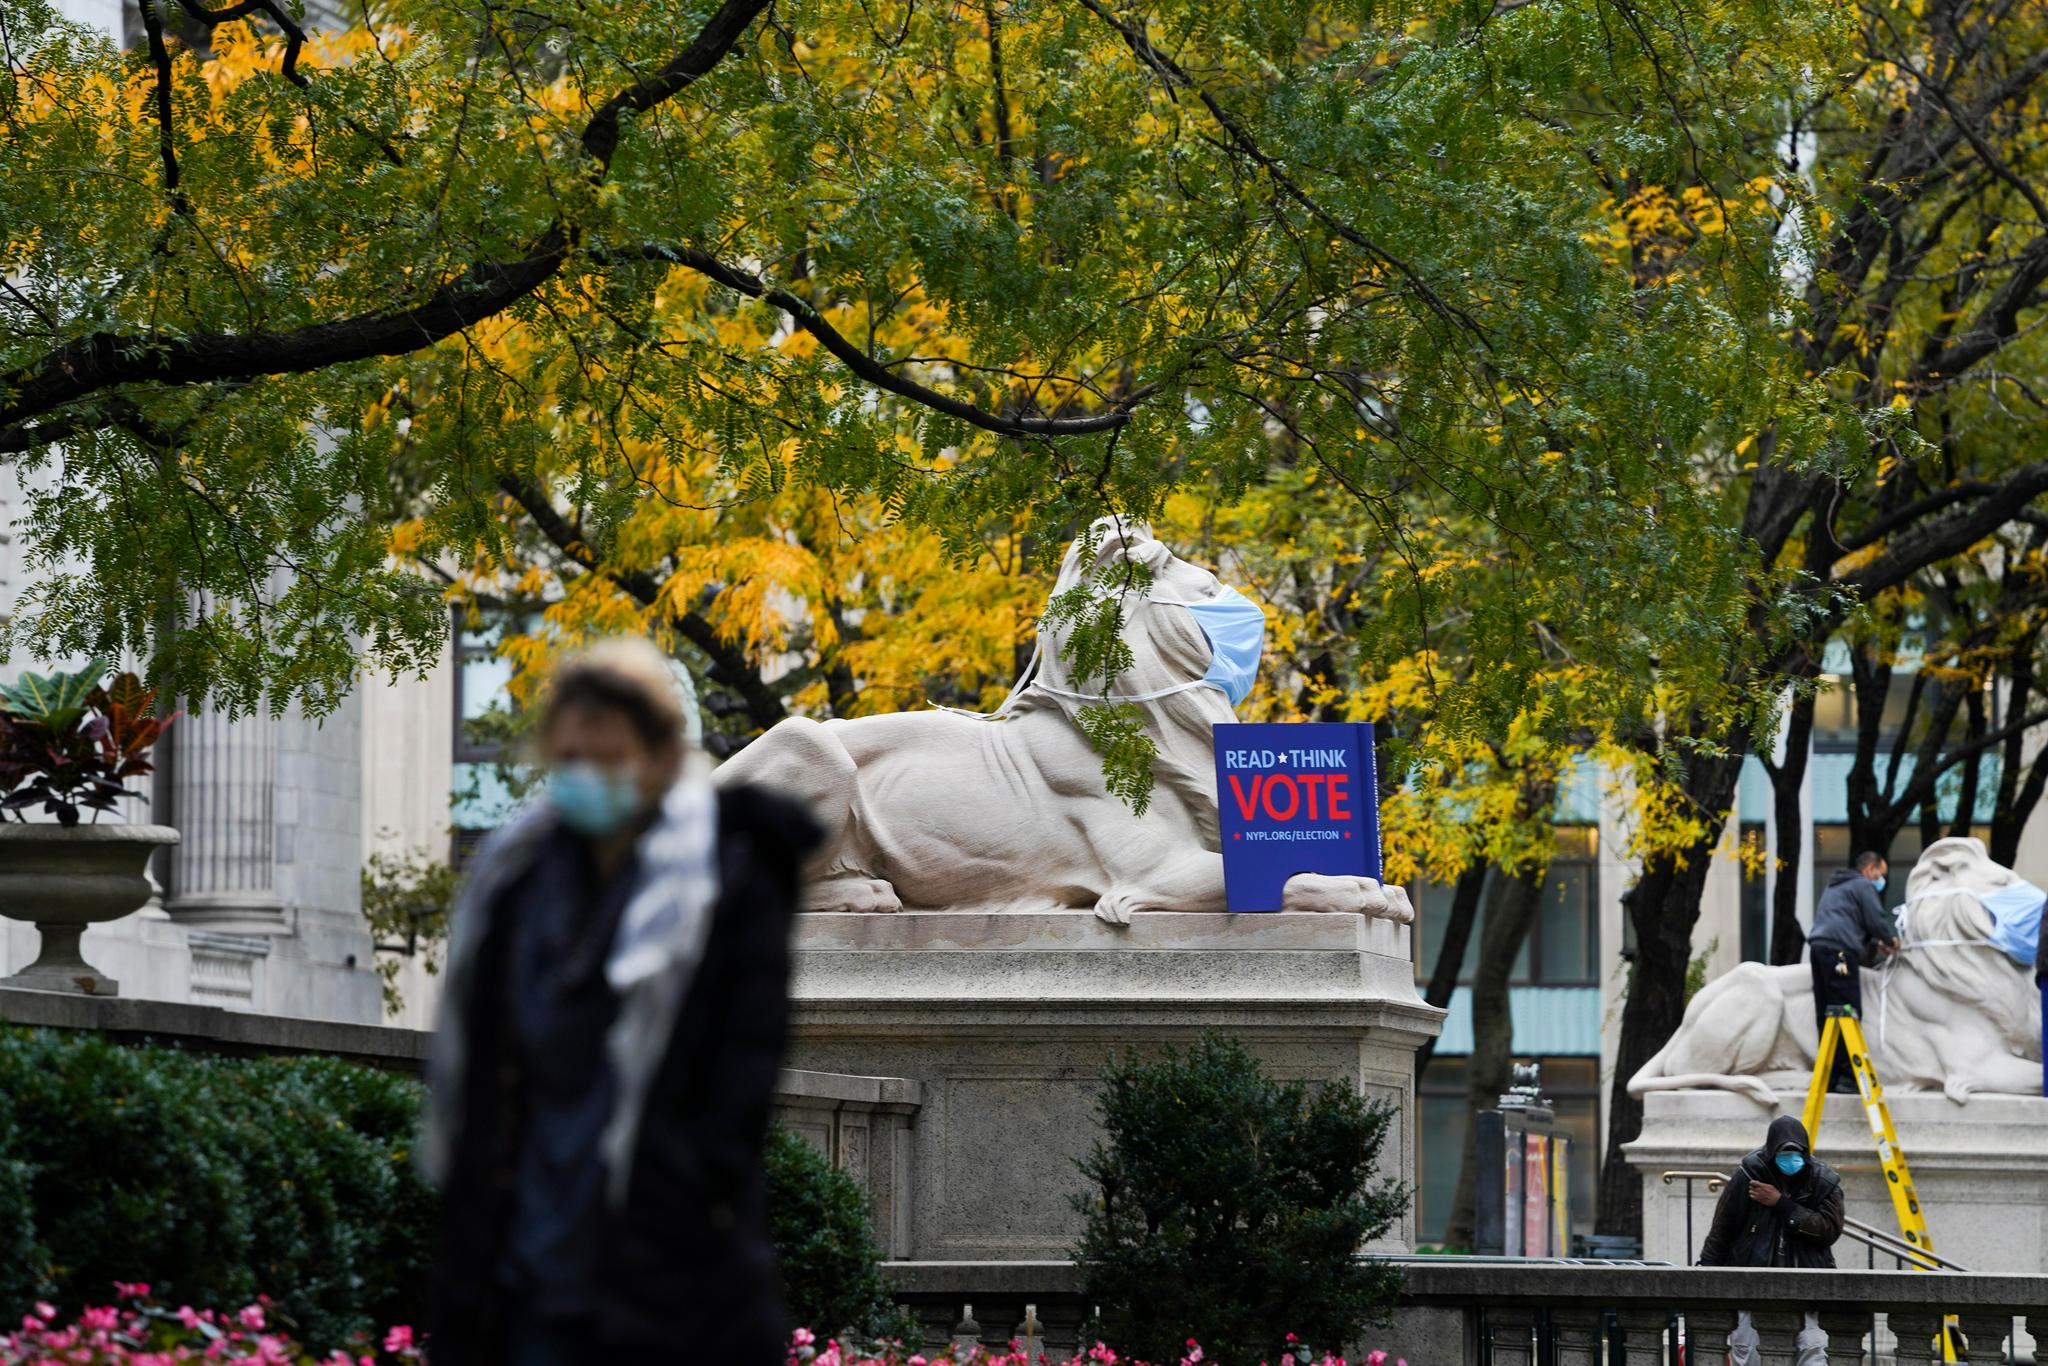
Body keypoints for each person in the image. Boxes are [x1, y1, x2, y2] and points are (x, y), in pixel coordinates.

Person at [418, 638, 821, 1366]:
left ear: (663, 758)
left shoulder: (729, 881)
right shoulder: (516, 883)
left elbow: (740, 1081)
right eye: (568, 758)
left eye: (605, 759)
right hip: (523, 1275)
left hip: (665, 1279)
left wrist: (688, 1200)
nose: (583, 777)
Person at [1698, 1115, 1845, 1268]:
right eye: (1784, 1154)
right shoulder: (1751, 1174)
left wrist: (1782, 1204)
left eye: (1796, 1153)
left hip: (1807, 1271)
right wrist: (1708, 1264)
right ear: (1772, 1152)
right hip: (1753, 1270)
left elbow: (1828, 1231)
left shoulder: (1823, 1181)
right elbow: (1724, 1226)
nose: (1790, 1160)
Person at [1809, 850, 1901, 1092]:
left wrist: (1873, 944)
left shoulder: (1837, 886)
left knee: (1827, 1014)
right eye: (1881, 875)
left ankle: (1829, 1077)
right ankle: (1851, 1077)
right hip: (1839, 953)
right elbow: (1873, 919)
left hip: (1820, 950)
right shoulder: (1862, 885)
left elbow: (1847, 923)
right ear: (1870, 870)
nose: (1881, 881)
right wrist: (1890, 940)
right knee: (1848, 1011)